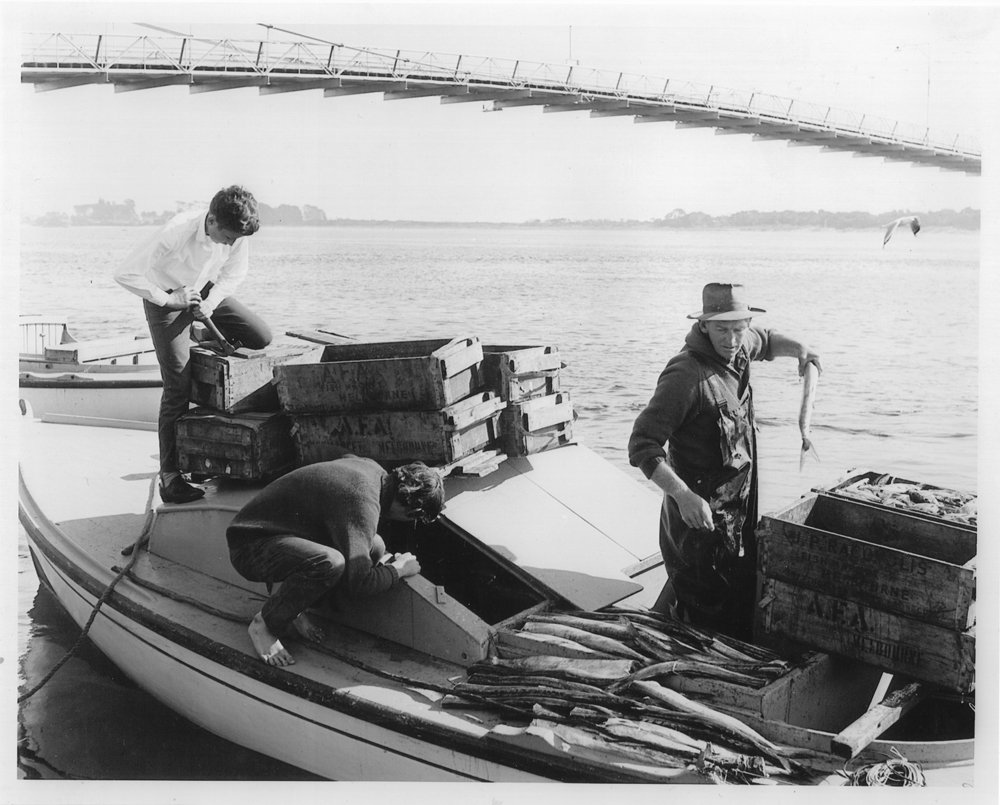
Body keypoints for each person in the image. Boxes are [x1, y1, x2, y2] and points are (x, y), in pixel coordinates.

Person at [628, 283, 821, 642]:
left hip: (738, 519)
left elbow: (765, 340)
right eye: (721, 330)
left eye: (737, 329)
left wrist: (800, 350)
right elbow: (642, 444)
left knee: (736, 603)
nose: (732, 340)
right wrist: (682, 495)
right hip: (697, 525)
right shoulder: (685, 375)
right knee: (705, 620)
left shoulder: (740, 345)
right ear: (704, 326)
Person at [114, 185, 272, 504]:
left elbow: (232, 275)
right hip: (166, 298)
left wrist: (209, 306)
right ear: (211, 220)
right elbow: (124, 273)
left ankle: (195, 335)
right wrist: (170, 300)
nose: (230, 244)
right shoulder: (176, 231)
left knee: (261, 337)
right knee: (178, 385)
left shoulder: (234, 234)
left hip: (202, 293)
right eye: (227, 237)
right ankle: (170, 475)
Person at [225, 456, 446, 667]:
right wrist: (398, 570)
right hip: (249, 547)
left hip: (276, 534)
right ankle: (264, 624)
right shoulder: (362, 501)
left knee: (375, 545)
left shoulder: (374, 472)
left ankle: (294, 608)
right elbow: (359, 583)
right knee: (330, 563)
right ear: (412, 512)